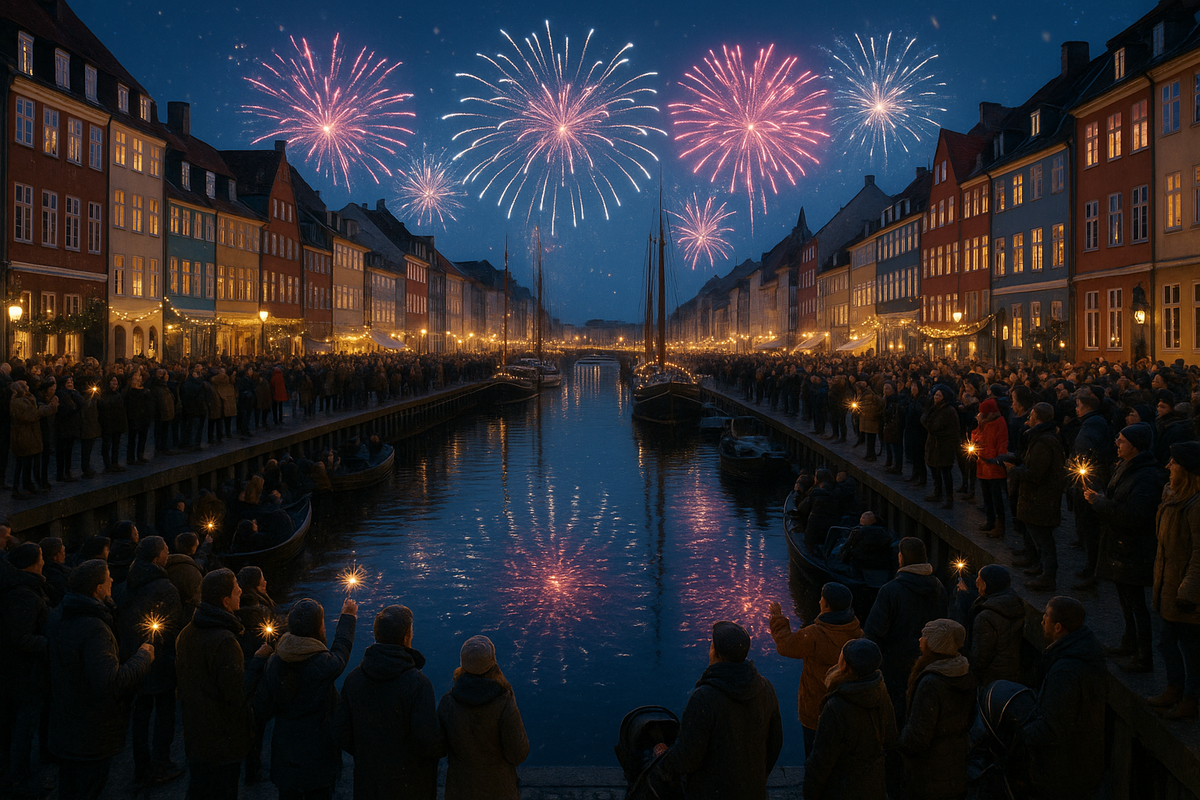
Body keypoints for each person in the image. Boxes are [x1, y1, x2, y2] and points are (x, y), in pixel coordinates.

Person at [47, 559, 155, 800]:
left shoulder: (58, 615)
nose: (113, 581)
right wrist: (143, 657)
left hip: (66, 725)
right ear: (98, 588)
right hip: (90, 732)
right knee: (89, 788)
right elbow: (110, 680)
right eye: (108, 579)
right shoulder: (94, 627)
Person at [651, 621, 782, 800]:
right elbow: (775, 744)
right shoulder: (766, 688)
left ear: (715, 653)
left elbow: (687, 757)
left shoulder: (704, 698)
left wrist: (663, 757)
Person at [176, 569, 270, 800]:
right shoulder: (225, 641)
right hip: (222, 739)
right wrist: (257, 662)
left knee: (199, 788)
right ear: (225, 601)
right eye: (236, 587)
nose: (241, 590)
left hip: (197, 732)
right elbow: (236, 694)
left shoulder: (188, 632)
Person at [255, 596, 357, 800]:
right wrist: (347, 617)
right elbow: (341, 653)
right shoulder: (322, 663)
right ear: (317, 628)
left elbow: (262, 707)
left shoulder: (275, 661)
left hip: (286, 752)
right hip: (318, 753)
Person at [336, 605, 442, 800]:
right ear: (406, 637)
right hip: (410, 783)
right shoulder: (418, 684)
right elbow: (428, 741)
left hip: (369, 781)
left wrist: (366, 753)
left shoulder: (353, 679)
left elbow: (342, 731)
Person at [1085, 422, 1166, 673]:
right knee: (1125, 600)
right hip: (1119, 545)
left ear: (1135, 446)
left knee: (1136, 603)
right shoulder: (1125, 467)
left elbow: (1135, 516)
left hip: (1133, 548)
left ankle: (1143, 656)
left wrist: (1100, 503)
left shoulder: (1146, 477)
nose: (1116, 444)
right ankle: (1128, 642)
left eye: (1121, 441)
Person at [113, 536, 184, 787]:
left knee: (141, 715)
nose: (168, 553)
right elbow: (172, 627)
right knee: (165, 715)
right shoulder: (165, 587)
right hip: (160, 661)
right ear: (157, 558)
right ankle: (161, 764)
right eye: (165, 550)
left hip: (133, 658)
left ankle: (141, 768)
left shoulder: (125, 585)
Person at [1019, 597, 1106, 800]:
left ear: (1058, 627)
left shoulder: (1065, 672)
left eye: (1046, 616)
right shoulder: (1087, 652)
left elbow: (1053, 726)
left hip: (1063, 768)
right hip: (1084, 760)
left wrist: (1022, 734)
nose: (1041, 620)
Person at [768, 583, 862, 755]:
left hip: (816, 707)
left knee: (814, 753)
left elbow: (786, 646)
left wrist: (778, 619)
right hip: (846, 706)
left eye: (821, 599)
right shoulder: (856, 631)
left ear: (826, 606)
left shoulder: (815, 634)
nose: (819, 602)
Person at [864, 537, 948, 729]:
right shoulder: (939, 587)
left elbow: (872, 632)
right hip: (928, 660)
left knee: (895, 712)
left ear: (901, 558)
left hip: (896, 664)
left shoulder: (891, 591)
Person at [804, 638, 897, 800]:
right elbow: (891, 739)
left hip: (842, 786)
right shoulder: (880, 693)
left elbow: (822, 759)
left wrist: (810, 792)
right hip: (873, 783)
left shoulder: (836, 706)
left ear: (845, 665)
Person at [896, 619, 976, 800]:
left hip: (929, 773)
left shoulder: (930, 684)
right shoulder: (964, 672)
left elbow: (917, 737)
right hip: (955, 766)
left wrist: (899, 745)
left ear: (935, 645)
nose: (919, 640)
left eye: (925, 637)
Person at [1149, 441, 1200, 719]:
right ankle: (1174, 687)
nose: (1168, 466)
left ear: (1188, 469)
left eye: (1174, 462)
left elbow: (1198, 554)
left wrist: (1188, 592)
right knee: (1166, 641)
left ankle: (1190, 697)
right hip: (1168, 582)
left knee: (1191, 648)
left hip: (1185, 592)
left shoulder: (1195, 505)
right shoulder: (1172, 495)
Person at [0, 543, 50, 798]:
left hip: (14, 673)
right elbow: (21, 638)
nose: (44, 562)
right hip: (24, 675)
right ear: (32, 564)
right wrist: (50, 643)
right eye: (41, 558)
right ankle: (19, 780)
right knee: (23, 728)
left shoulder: (17, 588)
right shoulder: (25, 595)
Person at [1006, 403, 1066, 592]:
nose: (1028, 417)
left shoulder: (1043, 442)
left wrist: (1013, 470)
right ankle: (1040, 567)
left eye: (1031, 414)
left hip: (1040, 499)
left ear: (1037, 417)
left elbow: (1035, 473)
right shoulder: (1041, 438)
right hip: (1039, 498)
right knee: (1039, 537)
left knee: (1044, 540)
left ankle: (1048, 576)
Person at [1070, 390, 1116, 590]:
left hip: (1091, 480)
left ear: (1087, 407)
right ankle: (1090, 567)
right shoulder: (1093, 423)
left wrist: (1082, 468)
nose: (1076, 409)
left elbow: (1087, 451)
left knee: (1092, 528)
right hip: (1090, 478)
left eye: (1078, 406)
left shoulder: (1092, 425)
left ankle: (1094, 571)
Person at [960, 564, 1024, 685]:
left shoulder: (985, 618)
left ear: (985, 585)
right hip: (1010, 672)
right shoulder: (1013, 603)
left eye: (979, 578)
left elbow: (979, 658)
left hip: (990, 677)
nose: (976, 581)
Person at [973, 397, 1009, 537]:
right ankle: (990, 520)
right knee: (987, 496)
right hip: (983, 464)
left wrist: (997, 459)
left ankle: (1000, 525)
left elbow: (1002, 443)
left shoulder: (999, 423)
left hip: (993, 465)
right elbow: (976, 436)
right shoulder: (983, 422)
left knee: (996, 498)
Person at [921, 384, 960, 509]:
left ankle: (949, 498)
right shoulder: (935, 408)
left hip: (944, 446)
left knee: (945, 471)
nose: (935, 397)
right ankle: (937, 492)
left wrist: (924, 420)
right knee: (934, 469)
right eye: (935, 395)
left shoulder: (947, 411)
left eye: (938, 395)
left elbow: (933, 427)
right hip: (934, 444)